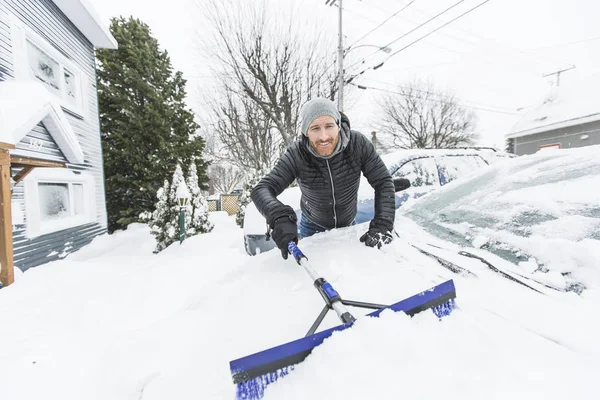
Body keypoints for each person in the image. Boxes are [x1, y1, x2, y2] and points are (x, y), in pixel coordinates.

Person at [251, 97, 396, 259]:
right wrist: (278, 215)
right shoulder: (297, 154)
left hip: (348, 224)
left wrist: (383, 223)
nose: (324, 136)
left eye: (329, 126)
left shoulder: (358, 144)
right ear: (306, 132)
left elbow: (383, 181)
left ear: (338, 125)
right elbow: (262, 189)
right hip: (312, 226)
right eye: (315, 128)